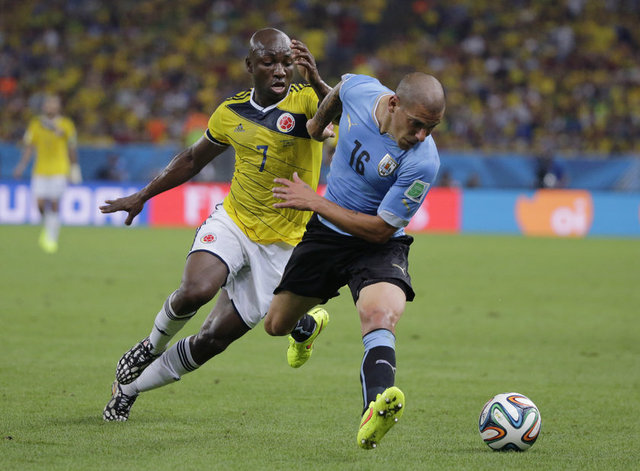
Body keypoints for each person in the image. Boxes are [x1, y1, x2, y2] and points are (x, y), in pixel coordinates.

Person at [100, 28, 332, 421]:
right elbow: (192, 159)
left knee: (212, 339)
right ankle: (150, 346)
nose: (280, 71)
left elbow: (337, 115)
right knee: (196, 289)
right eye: (269, 62)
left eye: (286, 62)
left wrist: (318, 81)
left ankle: (128, 390)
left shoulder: (308, 100)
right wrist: (143, 195)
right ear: (250, 66)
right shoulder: (231, 113)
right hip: (235, 221)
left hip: (282, 246)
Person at [264, 72, 446, 449]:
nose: (422, 136)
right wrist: (316, 125)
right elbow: (341, 89)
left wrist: (316, 202)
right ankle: (307, 327)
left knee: (380, 315)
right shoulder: (363, 90)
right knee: (276, 325)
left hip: (377, 243)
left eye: (431, 128)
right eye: (416, 124)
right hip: (326, 237)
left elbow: (380, 230)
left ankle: (373, 410)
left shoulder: (423, 162)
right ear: (393, 104)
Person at [13, 94, 81, 253]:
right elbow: (29, 147)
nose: (51, 107)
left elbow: (71, 147)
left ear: (58, 107)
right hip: (40, 169)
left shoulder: (66, 124)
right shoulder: (35, 124)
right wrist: (21, 166)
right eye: (48, 104)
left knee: (55, 202)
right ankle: (49, 225)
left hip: (59, 169)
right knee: (40, 204)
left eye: (54, 104)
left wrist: (74, 169)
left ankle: (52, 237)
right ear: (44, 107)